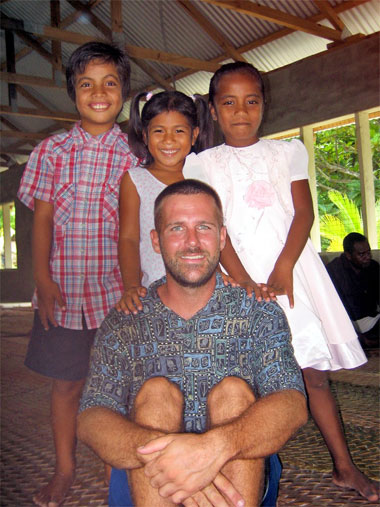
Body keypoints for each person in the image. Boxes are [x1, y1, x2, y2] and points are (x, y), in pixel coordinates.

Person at [184, 62, 378, 502]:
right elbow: (213, 228)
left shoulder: (287, 151)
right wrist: (244, 279)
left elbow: (304, 213)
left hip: (291, 274)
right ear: (213, 110)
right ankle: (240, 470)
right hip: (237, 280)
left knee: (314, 375)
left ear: (264, 105)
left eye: (251, 101)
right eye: (228, 102)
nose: (240, 111)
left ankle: (345, 467)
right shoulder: (202, 164)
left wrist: (284, 266)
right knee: (240, 383)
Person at [77, 179, 308, 507]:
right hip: (147, 478)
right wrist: (173, 459)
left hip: (240, 471)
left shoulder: (257, 310)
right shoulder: (126, 320)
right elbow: (91, 416)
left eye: (203, 227)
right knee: (155, 395)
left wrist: (212, 450)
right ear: (156, 241)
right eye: (176, 229)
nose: (192, 243)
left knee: (233, 393)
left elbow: (292, 402)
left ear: (221, 237)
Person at [17, 41, 138, 507]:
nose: (99, 92)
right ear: (73, 93)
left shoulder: (133, 153)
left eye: (110, 83)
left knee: (118, 385)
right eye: (87, 84)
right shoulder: (51, 151)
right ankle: (65, 469)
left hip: (116, 293)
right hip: (64, 291)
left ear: (123, 92)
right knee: (65, 385)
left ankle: (116, 469)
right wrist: (43, 280)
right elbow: (43, 219)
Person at [116, 90, 213, 314]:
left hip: (204, 290)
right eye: (159, 131)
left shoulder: (205, 177)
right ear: (144, 135)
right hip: (155, 292)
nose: (168, 139)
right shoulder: (135, 180)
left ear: (194, 134)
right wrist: (131, 286)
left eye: (179, 130)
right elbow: (129, 238)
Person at [326, 232, 379, 347]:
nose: (367, 257)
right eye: (361, 254)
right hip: (347, 324)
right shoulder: (333, 271)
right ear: (348, 255)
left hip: (372, 320)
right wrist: (357, 336)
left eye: (368, 252)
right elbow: (333, 309)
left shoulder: (373, 267)